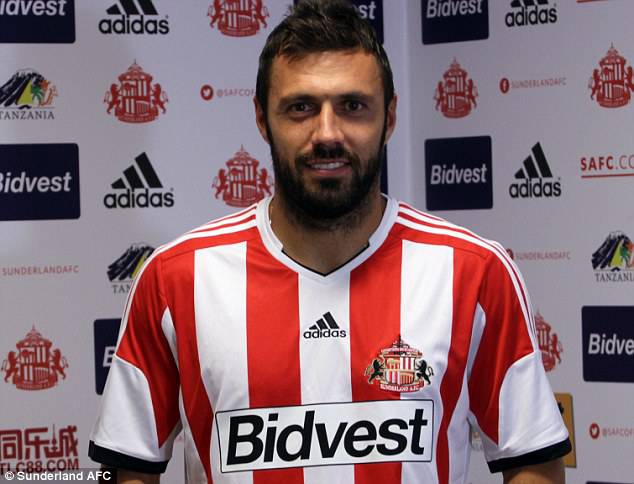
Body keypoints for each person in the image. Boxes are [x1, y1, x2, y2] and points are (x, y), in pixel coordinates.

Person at [89, 1, 571, 483]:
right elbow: (129, 468)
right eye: (300, 107)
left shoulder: (473, 271)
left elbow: (532, 460)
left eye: (352, 106)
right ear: (262, 118)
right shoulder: (177, 278)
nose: (327, 133)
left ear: (390, 117)